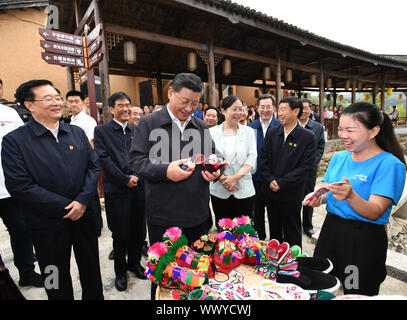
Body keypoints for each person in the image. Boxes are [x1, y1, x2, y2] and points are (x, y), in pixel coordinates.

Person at [1, 79, 103, 300]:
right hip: (46, 224)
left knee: (91, 270)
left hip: (84, 216)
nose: (57, 103)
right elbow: (20, 185)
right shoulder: (15, 141)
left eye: (58, 97)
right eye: (48, 98)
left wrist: (83, 201)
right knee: (53, 276)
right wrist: (67, 206)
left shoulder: (75, 133)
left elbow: (93, 166)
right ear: (29, 105)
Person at [130, 73, 221, 299]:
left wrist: (216, 170)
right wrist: (165, 171)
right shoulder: (149, 123)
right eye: (185, 101)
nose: (190, 108)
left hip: (198, 215)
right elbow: (136, 161)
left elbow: (213, 155)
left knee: (199, 273)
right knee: (165, 276)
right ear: (171, 93)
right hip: (164, 217)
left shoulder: (200, 126)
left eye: (195, 103)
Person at [303, 102, 406, 296]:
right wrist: (318, 196)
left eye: (350, 130)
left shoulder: (389, 164)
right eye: (341, 129)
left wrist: (351, 195)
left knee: (356, 289)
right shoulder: (340, 157)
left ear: (373, 131)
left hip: (362, 239)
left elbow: (375, 211)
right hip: (331, 231)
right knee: (323, 284)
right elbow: (329, 190)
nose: (342, 135)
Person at [94, 92, 146, 292]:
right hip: (117, 190)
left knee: (138, 230)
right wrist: (124, 179)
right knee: (121, 233)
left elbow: (142, 155)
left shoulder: (136, 130)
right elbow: (103, 159)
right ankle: (120, 271)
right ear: (111, 109)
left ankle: (134, 264)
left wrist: (137, 176)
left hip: (138, 187)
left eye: (127, 104)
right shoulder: (102, 131)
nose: (125, 108)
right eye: (120, 105)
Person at [260, 96, 316, 248]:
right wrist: (270, 179)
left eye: (283, 110)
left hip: (291, 193)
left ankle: (294, 263)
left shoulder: (307, 137)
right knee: (274, 230)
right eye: (279, 110)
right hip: (271, 192)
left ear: (296, 111)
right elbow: (263, 158)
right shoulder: (273, 132)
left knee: (292, 230)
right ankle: (274, 260)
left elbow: (305, 167)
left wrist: (282, 182)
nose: (279, 114)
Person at [0, 102, 43, 288]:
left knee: (21, 231)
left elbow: (25, 145)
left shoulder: (9, 113)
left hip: (10, 188)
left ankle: (27, 273)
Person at [209, 95, 257, 223]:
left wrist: (234, 178)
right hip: (219, 189)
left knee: (243, 232)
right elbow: (209, 159)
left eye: (240, 109)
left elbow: (252, 157)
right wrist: (222, 178)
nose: (238, 113)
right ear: (223, 111)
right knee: (223, 232)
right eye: (234, 109)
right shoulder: (211, 132)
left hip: (243, 189)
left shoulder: (249, 132)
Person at [66, 90, 102, 236]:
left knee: (92, 194)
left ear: (82, 102)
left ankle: (97, 226)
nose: (73, 104)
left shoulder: (88, 121)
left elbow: (92, 144)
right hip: (74, 164)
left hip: (86, 163)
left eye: (76, 101)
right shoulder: (71, 120)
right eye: (70, 101)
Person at [248, 93, 281, 240]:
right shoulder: (250, 128)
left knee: (275, 214)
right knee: (257, 213)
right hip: (256, 179)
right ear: (257, 108)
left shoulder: (280, 126)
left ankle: (276, 242)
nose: (265, 110)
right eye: (262, 107)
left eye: (269, 107)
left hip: (275, 180)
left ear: (274, 108)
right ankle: (259, 240)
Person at [299, 99, 325, 238]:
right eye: (301, 108)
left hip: (310, 170)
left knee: (309, 197)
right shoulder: (291, 125)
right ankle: (294, 224)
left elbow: (320, 148)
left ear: (311, 109)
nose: (303, 111)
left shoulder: (317, 127)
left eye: (306, 108)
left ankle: (307, 226)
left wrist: (311, 164)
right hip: (292, 171)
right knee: (293, 198)